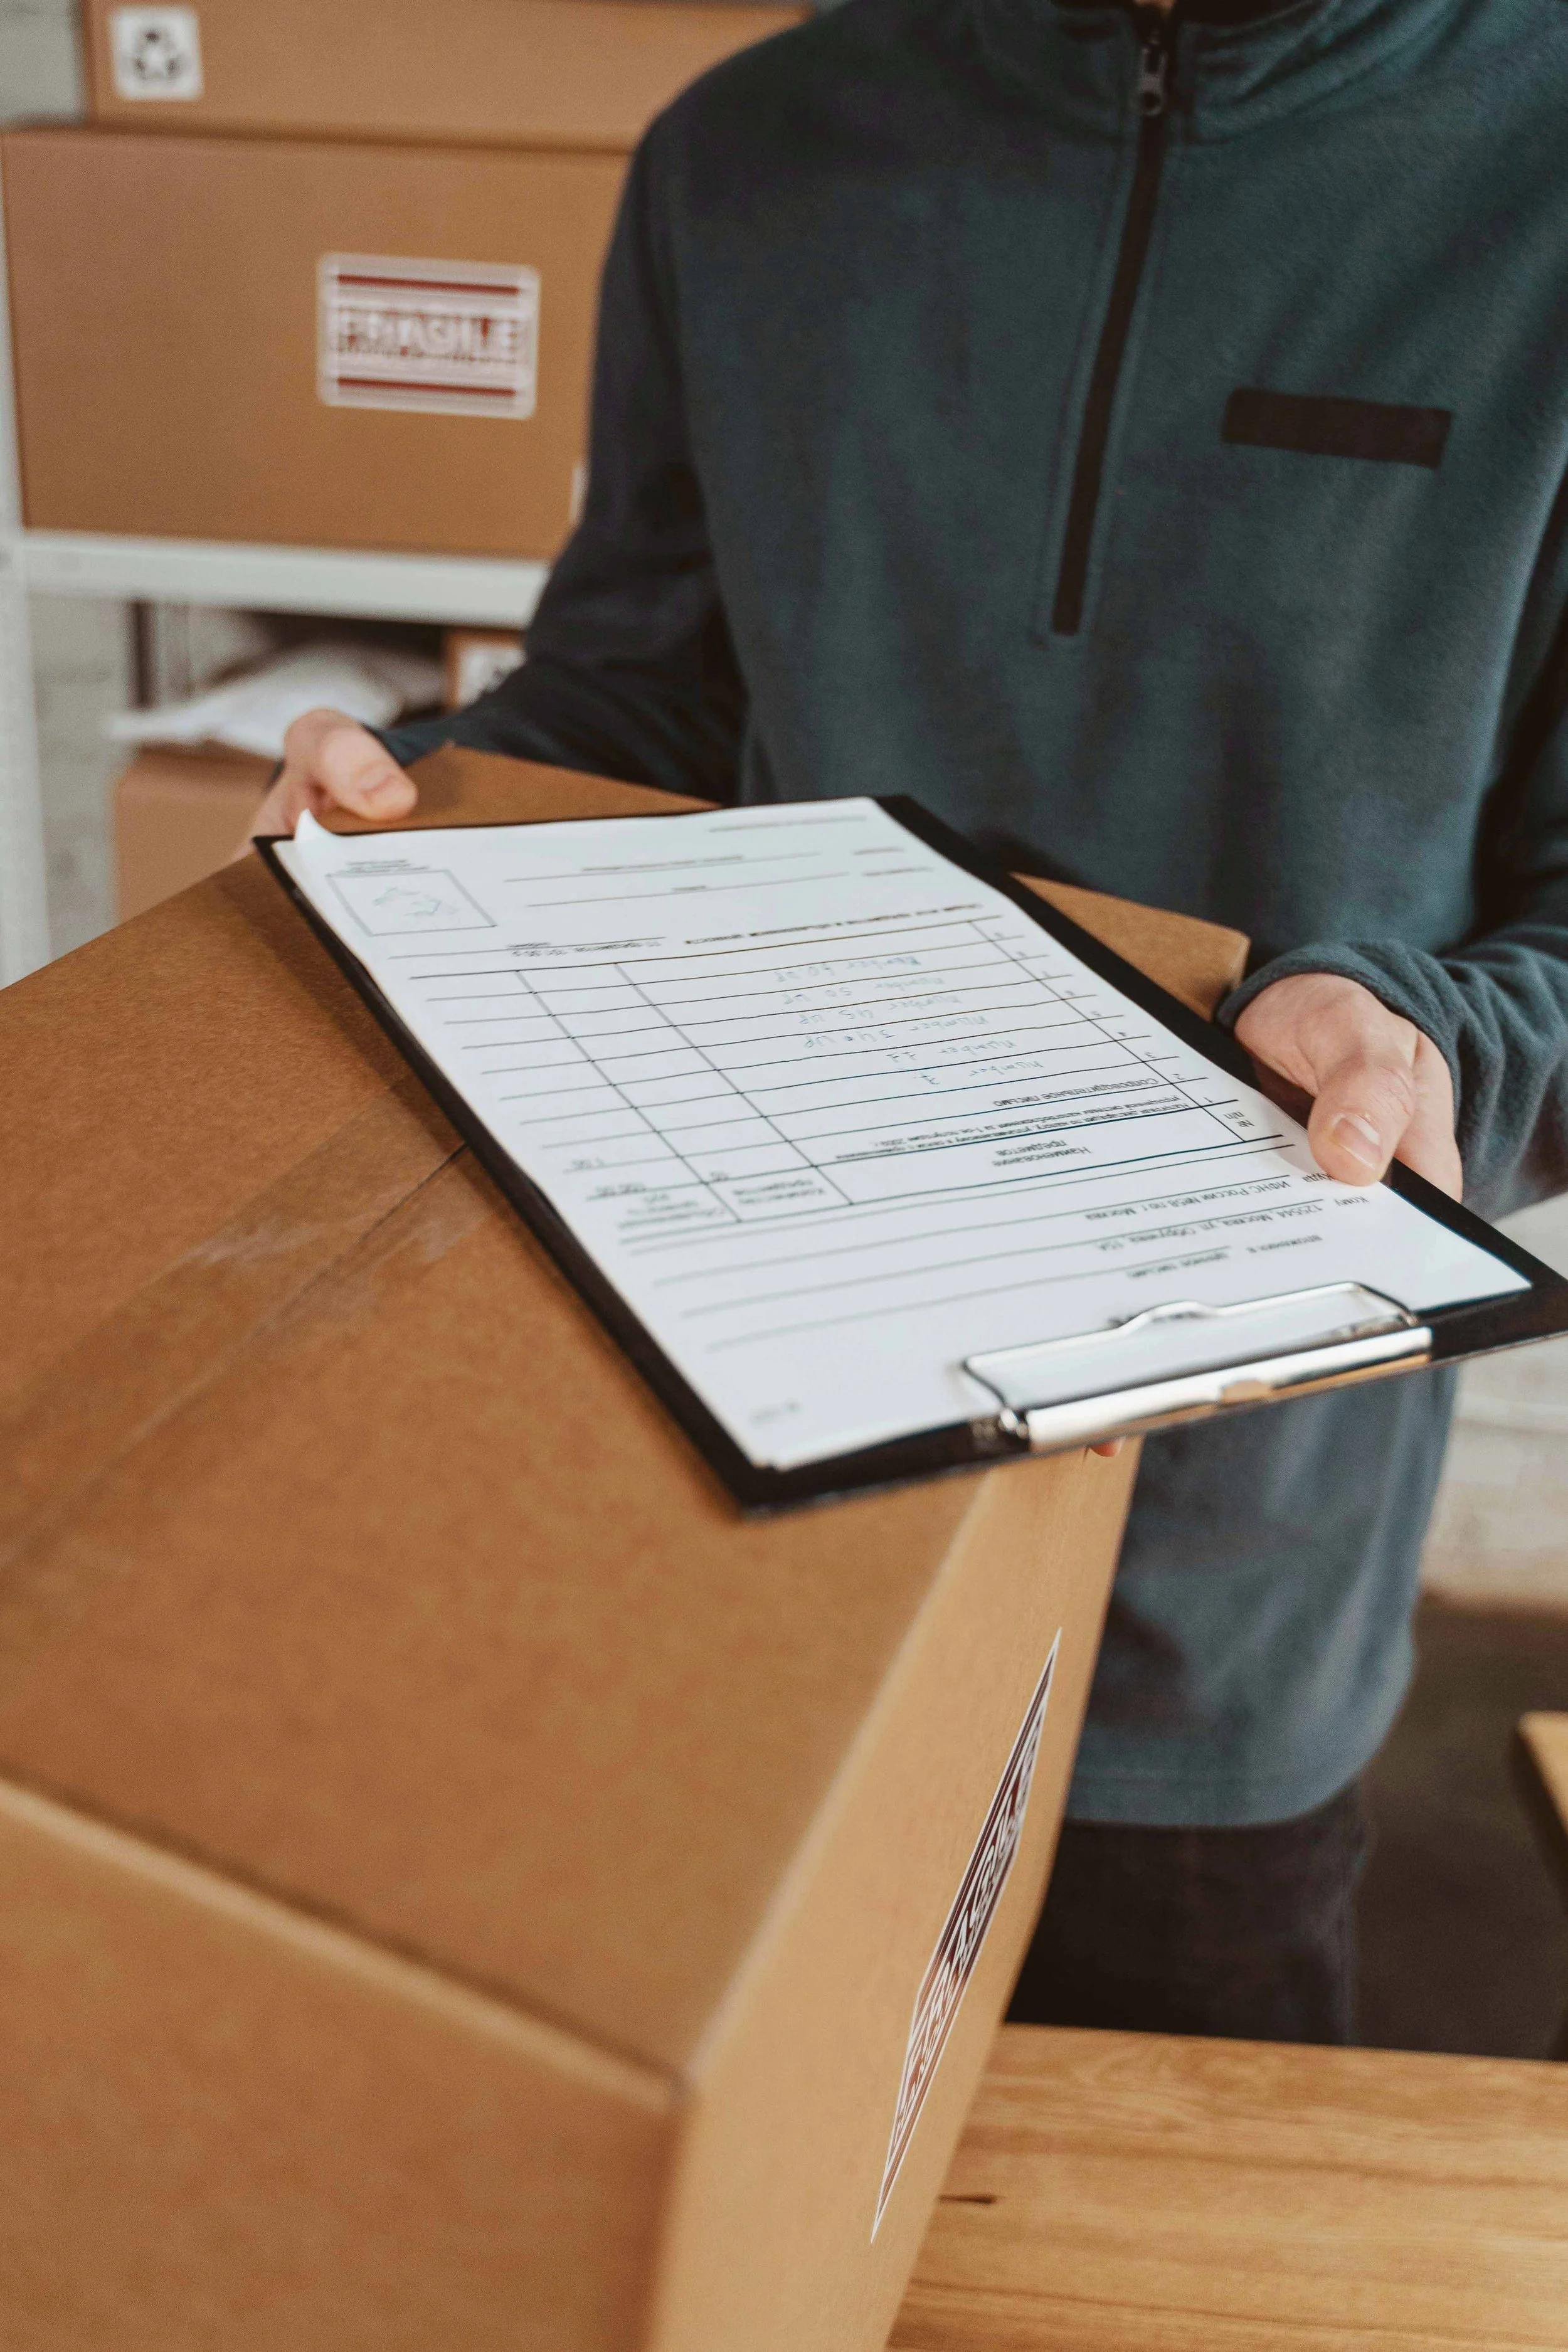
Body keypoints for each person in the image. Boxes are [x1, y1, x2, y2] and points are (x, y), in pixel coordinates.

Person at [252, 0, 1568, 2043]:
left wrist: (1418, 1032)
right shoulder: (750, 151)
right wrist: (432, 795)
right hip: (739, 1494)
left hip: (1217, 1581)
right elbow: (652, 688)